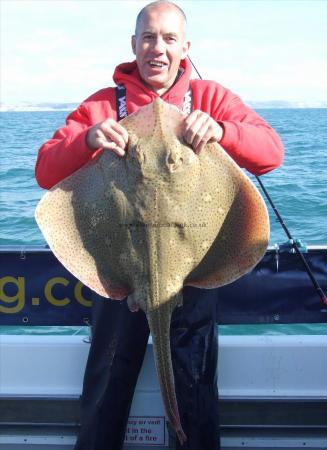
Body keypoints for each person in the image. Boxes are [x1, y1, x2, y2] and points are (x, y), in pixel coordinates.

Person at [35, 2, 284, 449]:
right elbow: (45, 171)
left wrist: (223, 130)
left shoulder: (210, 98)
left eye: (170, 39)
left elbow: (271, 152)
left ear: (185, 48)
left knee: (194, 389)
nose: (158, 48)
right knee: (107, 386)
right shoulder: (103, 105)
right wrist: (88, 139)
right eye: (149, 37)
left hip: (194, 271)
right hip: (119, 274)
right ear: (133, 45)